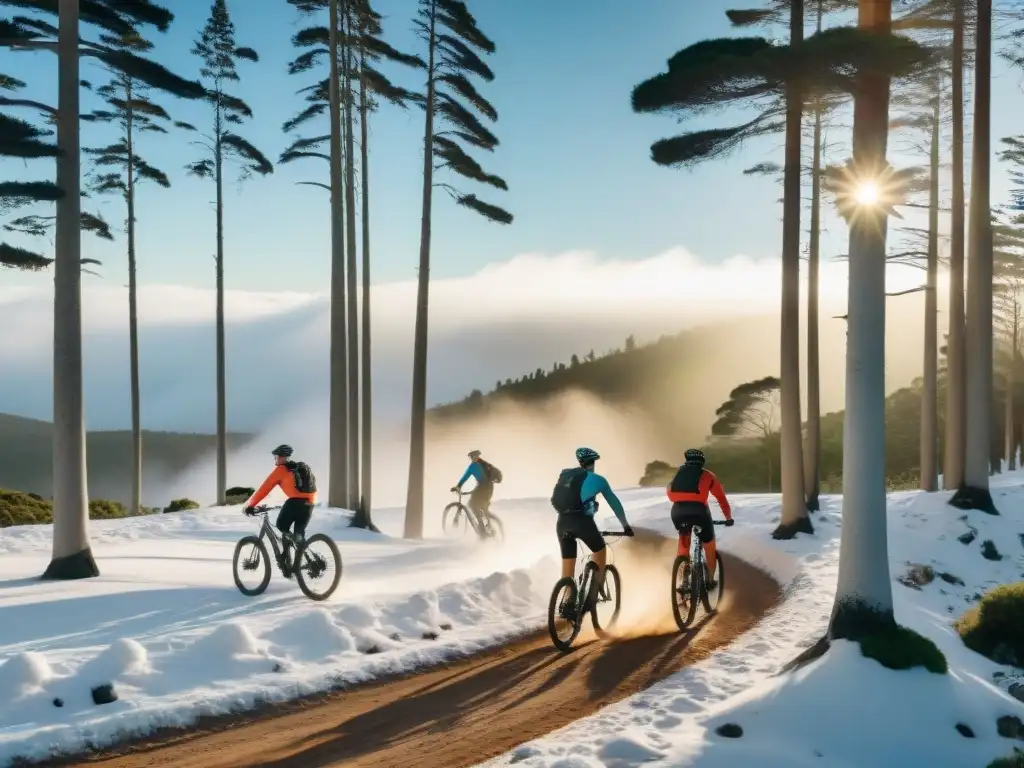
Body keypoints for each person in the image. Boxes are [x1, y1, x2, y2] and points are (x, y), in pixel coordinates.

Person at [551, 447, 633, 618]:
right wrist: (625, 526)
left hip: (562, 523)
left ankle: (568, 602)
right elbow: (615, 504)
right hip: (582, 523)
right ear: (593, 462)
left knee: (568, 571)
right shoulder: (598, 480)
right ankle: (592, 597)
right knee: (600, 551)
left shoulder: (566, 476)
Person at [244, 444, 317, 578]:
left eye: (276, 457)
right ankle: (303, 564)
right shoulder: (299, 467)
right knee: (298, 535)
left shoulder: (281, 470)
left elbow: (264, 489)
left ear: (281, 457)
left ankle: (285, 558)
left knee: (281, 526)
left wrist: (251, 505)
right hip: (310, 503)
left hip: (295, 502)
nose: (275, 459)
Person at [666, 448, 734, 589]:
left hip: (677, 511)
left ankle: (683, 576)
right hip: (699, 512)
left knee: (684, 538)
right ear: (702, 462)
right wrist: (728, 517)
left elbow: (669, 490)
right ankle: (709, 580)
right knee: (709, 543)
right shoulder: (708, 475)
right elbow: (721, 498)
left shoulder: (679, 473)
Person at [451, 450, 500, 536]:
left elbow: (465, 476)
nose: (472, 458)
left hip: (483, 488)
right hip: (489, 488)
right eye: (472, 457)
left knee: (472, 505)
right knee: (483, 508)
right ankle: (490, 527)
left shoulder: (473, 466)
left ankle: (482, 531)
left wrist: (458, 486)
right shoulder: (484, 464)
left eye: (473, 457)